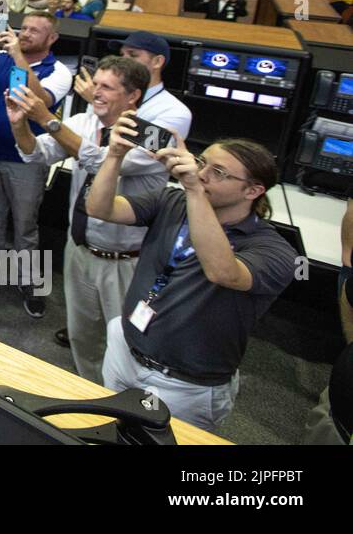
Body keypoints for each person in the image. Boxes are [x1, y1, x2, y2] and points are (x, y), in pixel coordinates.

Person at [88, 129, 296, 429]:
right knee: (109, 430)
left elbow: (222, 271)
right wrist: (115, 155)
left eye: (219, 172)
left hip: (185, 386)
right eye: (202, 162)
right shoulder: (171, 200)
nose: (202, 173)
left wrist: (195, 190)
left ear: (252, 191)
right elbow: (100, 208)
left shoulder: (275, 251)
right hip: (127, 348)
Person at [8, 56, 170, 381]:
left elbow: (103, 161)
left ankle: (124, 409)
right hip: (80, 250)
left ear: (133, 95)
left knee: (126, 344)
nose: (95, 92)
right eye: (95, 84)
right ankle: (90, 397)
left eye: (106, 87)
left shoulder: (154, 137)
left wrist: (50, 121)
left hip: (125, 263)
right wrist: (19, 123)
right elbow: (35, 153)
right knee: (82, 338)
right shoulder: (84, 123)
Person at [0, 13, 73, 317]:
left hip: (27, 163)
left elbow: (40, 100)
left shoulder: (60, 71)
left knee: (25, 227)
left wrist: (16, 55)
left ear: (51, 38)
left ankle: (29, 285)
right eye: (23, 28)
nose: (25, 34)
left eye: (34, 31)